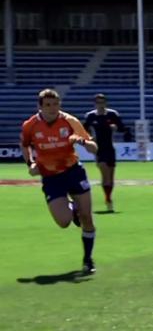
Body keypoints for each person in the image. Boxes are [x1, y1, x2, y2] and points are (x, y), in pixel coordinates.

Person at [21, 89, 99, 274]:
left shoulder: (70, 121)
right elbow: (24, 145)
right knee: (63, 222)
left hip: (73, 171)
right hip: (51, 177)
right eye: (47, 105)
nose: (52, 109)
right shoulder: (30, 125)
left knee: (87, 217)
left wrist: (80, 141)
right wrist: (30, 163)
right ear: (39, 106)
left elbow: (94, 148)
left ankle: (88, 260)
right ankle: (73, 209)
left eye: (55, 104)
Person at [84, 94, 124, 212]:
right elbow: (83, 130)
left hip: (110, 148)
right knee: (105, 173)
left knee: (111, 178)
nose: (100, 105)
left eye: (102, 102)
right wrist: (89, 138)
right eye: (98, 102)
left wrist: (115, 127)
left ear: (105, 103)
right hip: (99, 149)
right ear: (95, 104)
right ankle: (108, 199)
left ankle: (108, 196)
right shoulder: (90, 116)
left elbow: (122, 127)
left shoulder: (112, 115)